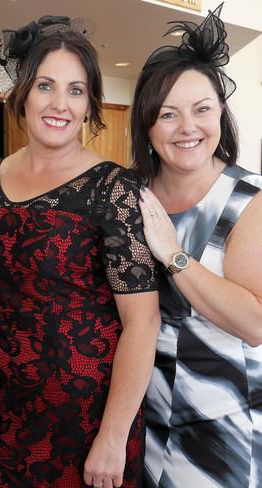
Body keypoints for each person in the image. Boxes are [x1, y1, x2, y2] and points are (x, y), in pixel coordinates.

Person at [0, 16, 161, 488]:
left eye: (76, 90)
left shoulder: (113, 187)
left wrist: (113, 438)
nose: (59, 103)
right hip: (0, 409)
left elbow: (142, 322)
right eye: (45, 85)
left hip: (89, 419)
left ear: (90, 103)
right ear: (22, 94)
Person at [131, 5, 262, 487]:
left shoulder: (249, 198)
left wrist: (174, 255)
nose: (188, 127)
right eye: (168, 115)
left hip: (221, 424)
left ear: (220, 115)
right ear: (147, 126)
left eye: (202, 109)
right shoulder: (130, 194)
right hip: (141, 418)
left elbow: (255, 323)